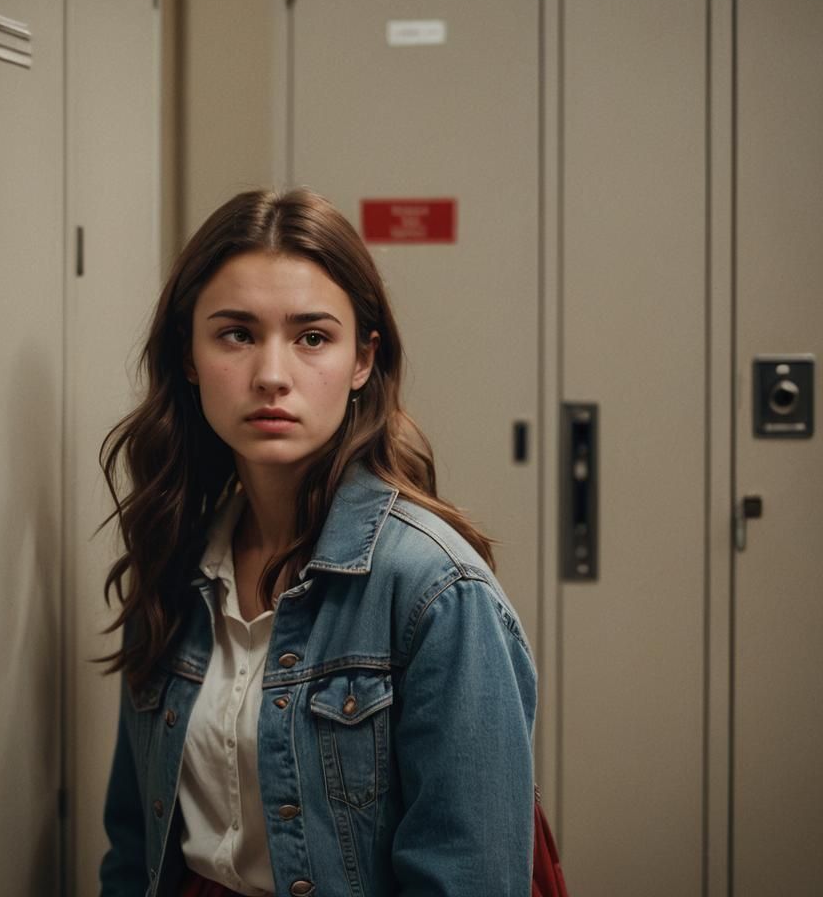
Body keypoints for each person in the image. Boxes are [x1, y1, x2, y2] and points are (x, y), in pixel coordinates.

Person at [97, 188, 536, 897]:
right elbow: (133, 847)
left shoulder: (436, 591)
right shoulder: (177, 561)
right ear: (188, 355)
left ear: (363, 360)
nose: (272, 374)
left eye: (312, 337)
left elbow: (471, 877)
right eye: (236, 333)